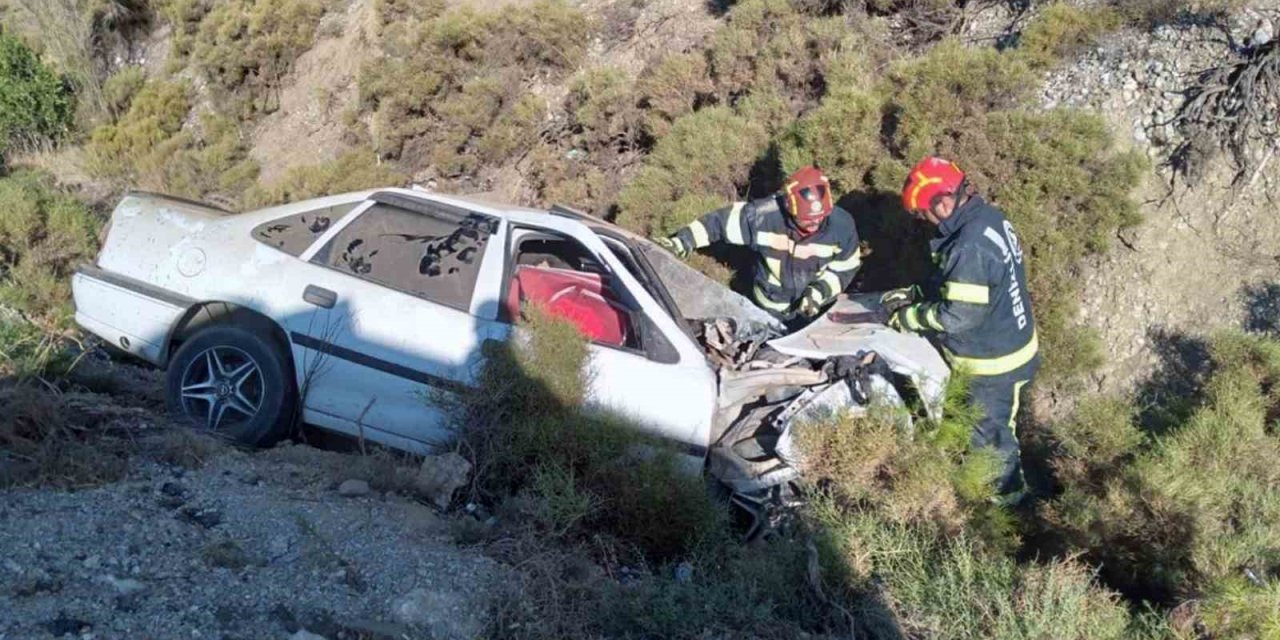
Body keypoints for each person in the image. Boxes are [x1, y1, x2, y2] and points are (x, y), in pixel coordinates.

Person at [885, 156, 1040, 503]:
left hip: (994, 364)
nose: (922, 221)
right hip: (1006, 345)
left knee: (992, 441)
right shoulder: (989, 219)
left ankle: (1007, 509)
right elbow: (971, 285)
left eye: (922, 213)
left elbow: (959, 317)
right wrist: (918, 295)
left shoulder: (968, 245)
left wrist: (908, 318)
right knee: (982, 426)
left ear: (941, 204)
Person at [655, 166, 861, 324]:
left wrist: (817, 293)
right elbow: (716, 224)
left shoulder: (841, 228)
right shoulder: (763, 217)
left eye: (820, 217)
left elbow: (844, 269)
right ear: (790, 207)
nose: (815, 224)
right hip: (766, 308)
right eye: (807, 219)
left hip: (813, 311)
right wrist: (681, 242)